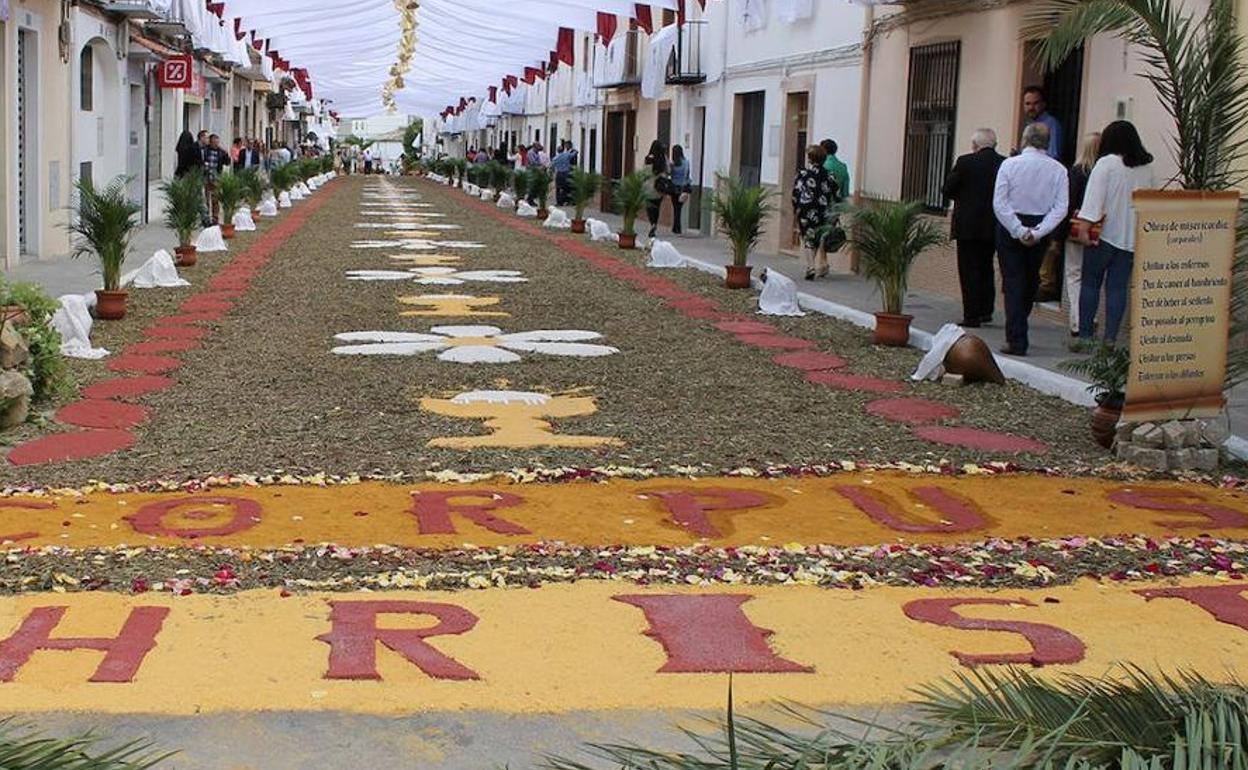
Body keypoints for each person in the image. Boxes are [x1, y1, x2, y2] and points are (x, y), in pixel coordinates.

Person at [1074, 120, 1154, 346]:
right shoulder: (1146, 169)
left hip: (1103, 235)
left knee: (1090, 284)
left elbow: (1094, 199)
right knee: (1117, 289)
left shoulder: (1106, 164)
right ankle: (1110, 337)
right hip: (1130, 239)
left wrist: (1083, 229)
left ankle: (1086, 336)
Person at [992, 122, 1068, 356]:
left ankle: (1016, 336)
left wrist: (1017, 229)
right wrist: (1038, 232)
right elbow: (1060, 207)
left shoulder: (1009, 165)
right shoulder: (1058, 170)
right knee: (1030, 280)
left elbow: (1000, 203)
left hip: (1010, 226)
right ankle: (1018, 328)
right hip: (1039, 226)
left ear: (1024, 140)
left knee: (1014, 281)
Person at [942, 128, 1005, 328]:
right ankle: (986, 310)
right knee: (986, 266)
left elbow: (948, 189)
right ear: (994, 145)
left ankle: (972, 314)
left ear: (975, 145)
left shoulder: (965, 162)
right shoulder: (1004, 163)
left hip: (967, 225)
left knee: (968, 269)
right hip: (993, 224)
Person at [1062, 132, 1101, 338]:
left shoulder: (1077, 172)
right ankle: (1091, 317)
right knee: (1091, 277)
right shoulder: (1103, 173)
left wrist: (1060, 233)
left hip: (1077, 230)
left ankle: (1077, 320)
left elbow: (1069, 203)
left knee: (1074, 274)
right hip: (1099, 231)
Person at [791, 144, 838, 282]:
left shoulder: (803, 174)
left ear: (810, 159)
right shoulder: (830, 176)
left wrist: (796, 209)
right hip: (822, 210)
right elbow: (836, 194)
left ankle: (811, 266)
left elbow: (796, 193)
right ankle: (812, 266)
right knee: (817, 237)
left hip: (805, 210)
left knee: (807, 237)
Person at [1022, 86, 1062, 161]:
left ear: (1043, 104)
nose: (1031, 107)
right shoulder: (1028, 124)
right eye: (1027, 104)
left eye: (1035, 103)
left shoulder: (1051, 124)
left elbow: (1053, 155)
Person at [643, 140, 671, 239]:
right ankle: (655, 223)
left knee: (649, 207)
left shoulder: (648, 158)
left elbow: (645, 172)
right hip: (659, 187)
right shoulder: (664, 158)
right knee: (657, 207)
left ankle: (652, 224)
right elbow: (668, 170)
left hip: (649, 187)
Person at [201, 134, 230, 225]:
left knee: (215, 199)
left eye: (217, 142)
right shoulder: (205, 150)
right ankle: (206, 217)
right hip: (206, 177)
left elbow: (227, 162)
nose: (216, 144)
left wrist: (226, 155)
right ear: (210, 142)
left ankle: (215, 218)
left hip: (216, 178)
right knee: (206, 199)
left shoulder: (221, 152)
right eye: (214, 142)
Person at [669, 145, 692, 236]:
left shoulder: (673, 164)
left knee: (675, 207)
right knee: (679, 208)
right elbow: (687, 174)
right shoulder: (686, 162)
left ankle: (676, 227)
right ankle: (677, 227)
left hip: (674, 188)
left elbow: (670, 174)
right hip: (682, 188)